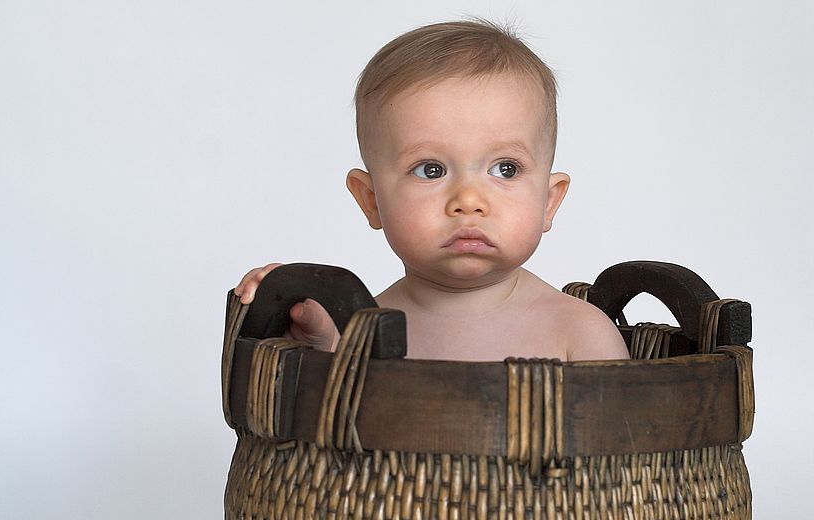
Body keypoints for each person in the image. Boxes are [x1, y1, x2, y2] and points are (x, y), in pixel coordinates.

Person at [233, 19, 628, 362]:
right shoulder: (355, 336)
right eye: (430, 169)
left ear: (550, 201)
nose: (469, 202)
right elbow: (330, 435)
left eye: (505, 169)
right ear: (371, 200)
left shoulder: (580, 335)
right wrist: (305, 334)